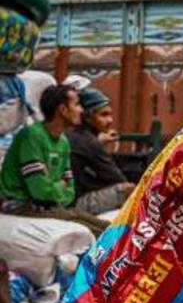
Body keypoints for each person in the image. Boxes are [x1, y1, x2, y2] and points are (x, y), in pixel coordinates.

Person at [0, 84, 108, 236]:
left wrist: (52, 186)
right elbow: (39, 190)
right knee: (92, 231)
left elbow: (70, 190)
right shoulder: (32, 136)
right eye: (76, 105)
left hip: (49, 207)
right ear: (63, 110)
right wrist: (57, 186)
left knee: (106, 226)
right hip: (20, 206)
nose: (81, 110)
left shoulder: (63, 141)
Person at [67, 86, 134, 215]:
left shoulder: (77, 135)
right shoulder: (88, 141)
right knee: (129, 189)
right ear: (87, 117)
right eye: (103, 115)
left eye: (110, 114)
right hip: (74, 204)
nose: (110, 120)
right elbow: (118, 179)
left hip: (69, 198)